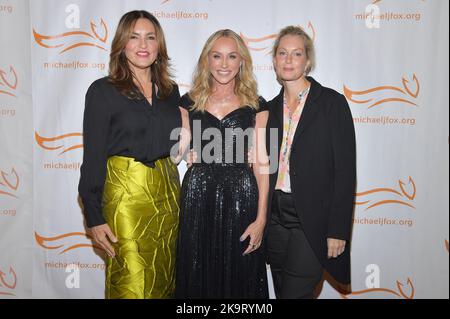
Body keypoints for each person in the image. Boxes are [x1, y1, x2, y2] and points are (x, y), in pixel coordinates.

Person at [78, 10, 183, 299]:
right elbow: (93, 157)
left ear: (159, 45)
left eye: (150, 37)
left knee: (164, 279)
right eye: (134, 37)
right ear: (122, 44)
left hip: (168, 196)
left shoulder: (170, 92)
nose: (143, 44)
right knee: (132, 283)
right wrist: (94, 217)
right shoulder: (103, 91)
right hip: (125, 199)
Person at [175, 29, 270, 298]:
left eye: (231, 56)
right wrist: (185, 153)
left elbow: (262, 165)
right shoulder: (188, 102)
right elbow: (176, 149)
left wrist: (261, 218)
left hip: (241, 196)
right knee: (197, 270)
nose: (224, 64)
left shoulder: (256, 105)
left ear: (242, 62)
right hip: (198, 196)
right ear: (207, 60)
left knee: (240, 272)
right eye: (217, 56)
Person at [265, 26, 356, 299]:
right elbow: (262, 166)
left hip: (312, 219)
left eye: (296, 53)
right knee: (282, 292)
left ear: (308, 61)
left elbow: (345, 172)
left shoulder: (331, 104)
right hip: (275, 218)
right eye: (282, 53)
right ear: (274, 60)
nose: (288, 60)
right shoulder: (267, 110)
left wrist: (338, 230)